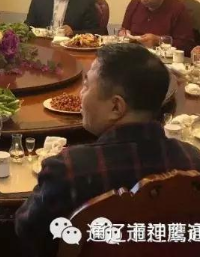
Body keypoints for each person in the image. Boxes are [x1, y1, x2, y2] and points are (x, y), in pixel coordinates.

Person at [15, 43, 200, 257]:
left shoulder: (68, 169)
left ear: (116, 107)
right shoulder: (192, 161)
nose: (81, 95)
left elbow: (28, 232)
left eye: (86, 86)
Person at [120, 0, 195, 54]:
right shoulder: (135, 3)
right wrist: (123, 34)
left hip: (161, 59)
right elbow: (124, 29)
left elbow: (187, 46)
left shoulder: (177, 9)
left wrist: (159, 40)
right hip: (134, 55)